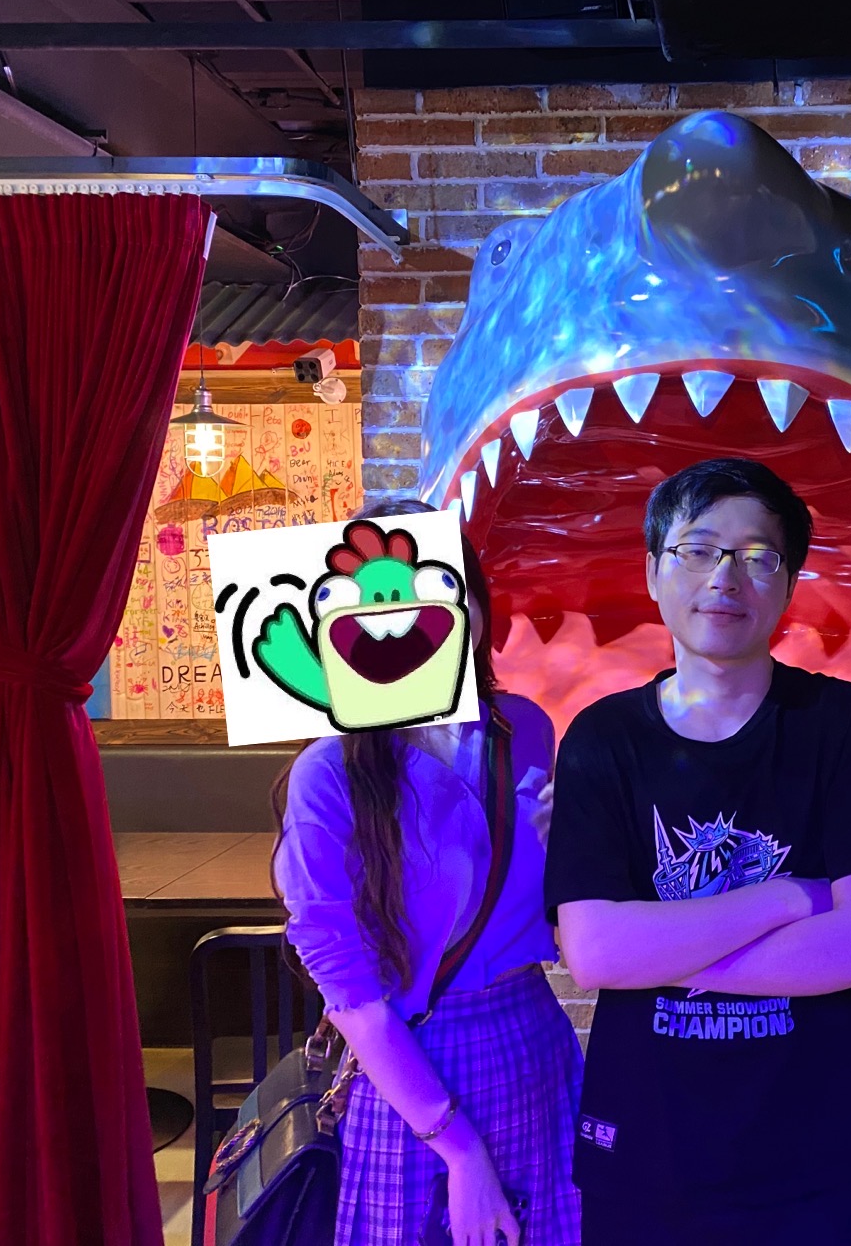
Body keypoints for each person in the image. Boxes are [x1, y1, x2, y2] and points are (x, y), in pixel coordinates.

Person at [542, 458, 851, 1246]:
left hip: (804, 1162)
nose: (726, 576)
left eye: (757, 555)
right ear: (654, 570)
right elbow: (595, 952)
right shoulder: (602, 738)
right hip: (641, 1152)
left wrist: (657, 950)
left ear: (788, 582)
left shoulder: (844, 724)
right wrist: (787, 897)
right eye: (698, 549)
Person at [274, 498, 582, 1246]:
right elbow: (348, 990)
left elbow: (550, 912)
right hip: (410, 1070)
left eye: (443, 585)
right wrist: (460, 1151)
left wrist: (572, 849)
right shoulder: (328, 772)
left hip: (531, 1036)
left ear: (474, 608)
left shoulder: (522, 728)